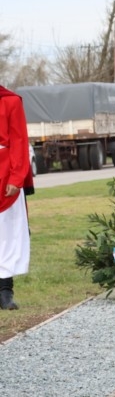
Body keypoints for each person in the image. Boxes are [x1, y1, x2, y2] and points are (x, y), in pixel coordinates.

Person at [0, 86, 33, 311]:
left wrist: (16, 176)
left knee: (6, 236)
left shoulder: (10, 101)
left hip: (4, 175)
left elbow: (20, 141)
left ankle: (4, 291)